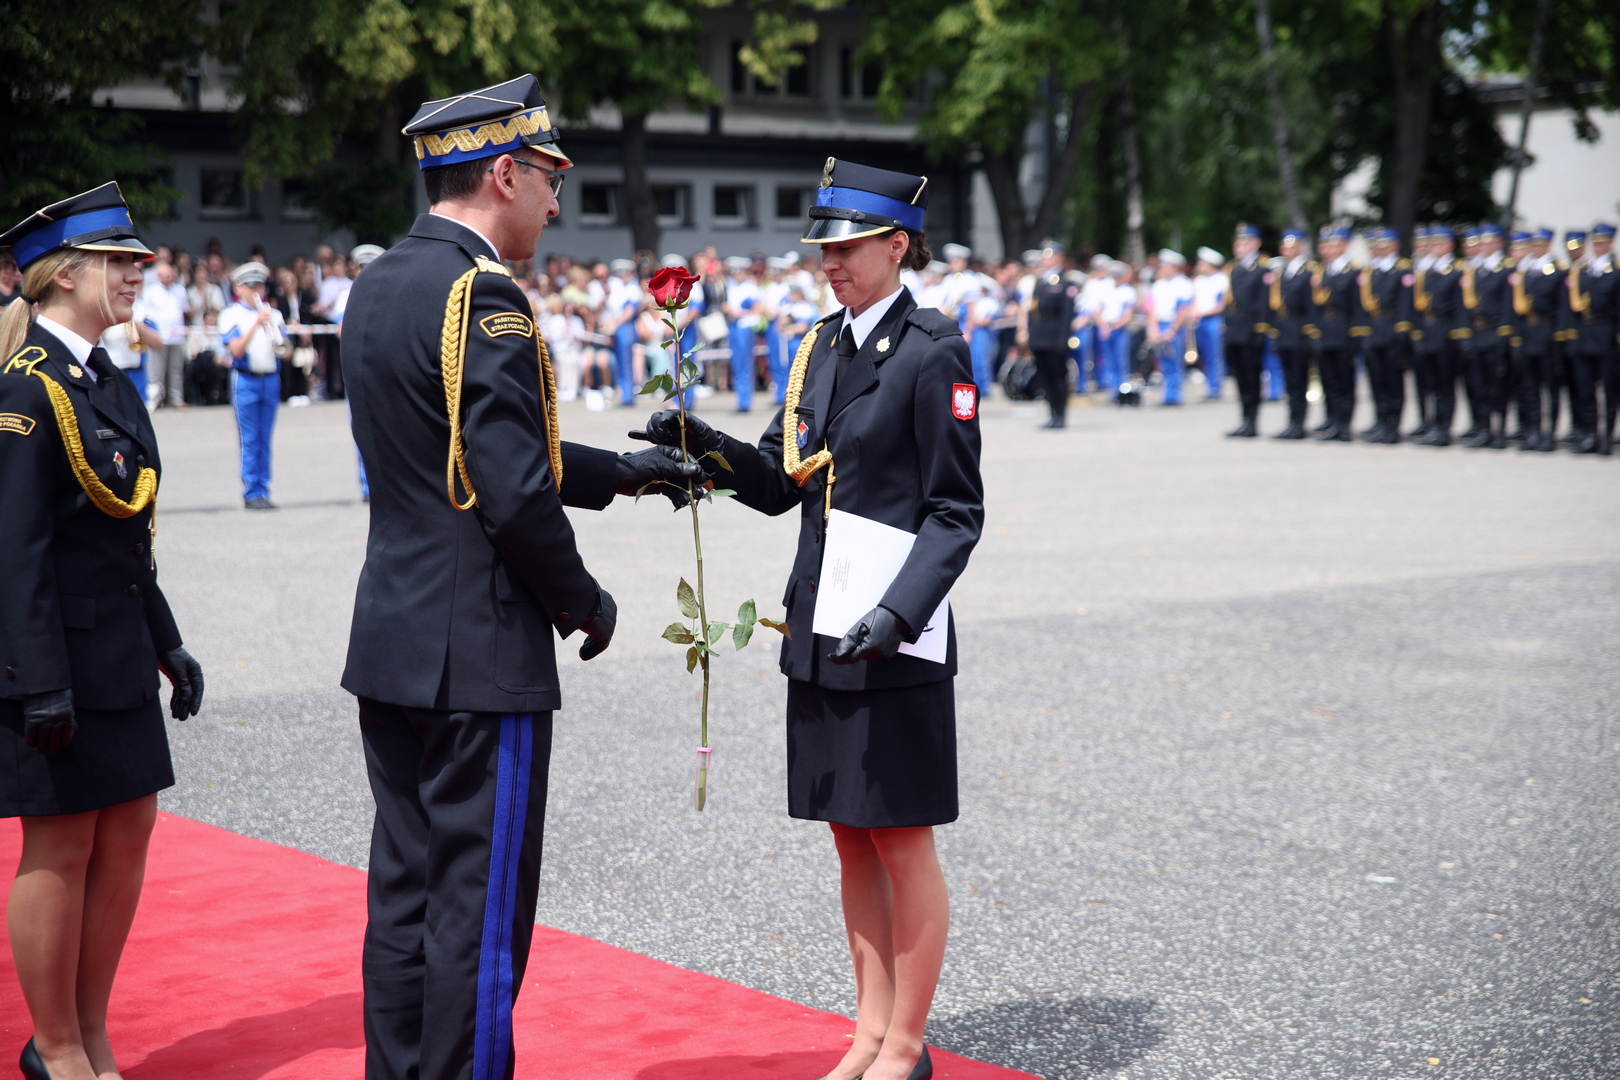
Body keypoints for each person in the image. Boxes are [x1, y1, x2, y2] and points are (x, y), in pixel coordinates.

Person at [340, 74, 702, 1080]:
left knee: (404, 899)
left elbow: (458, 448)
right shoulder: (484, 294)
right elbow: (507, 491)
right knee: (478, 916)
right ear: (504, 173)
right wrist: (582, 601)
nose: (555, 200)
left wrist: (623, 472)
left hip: (396, 634)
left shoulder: (381, 282)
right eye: (548, 177)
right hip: (479, 653)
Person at [635, 157, 983, 1080]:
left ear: (897, 245)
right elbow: (779, 482)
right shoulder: (819, 346)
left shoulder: (933, 351)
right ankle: (867, 1033)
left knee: (900, 836)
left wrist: (899, 611)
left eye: (846, 249)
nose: (828, 264)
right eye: (823, 250)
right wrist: (702, 445)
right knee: (850, 834)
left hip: (893, 632)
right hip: (823, 625)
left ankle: (906, 1045)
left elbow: (956, 513)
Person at [0, 182, 204, 1080]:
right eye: (118, 261)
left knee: (127, 829)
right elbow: (14, 553)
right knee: (62, 841)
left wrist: (166, 640)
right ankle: (54, 1043)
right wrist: (36, 681)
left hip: (116, 649)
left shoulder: (105, 379)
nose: (135, 274)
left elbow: (129, 537)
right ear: (63, 274)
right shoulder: (26, 386)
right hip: (53, 659)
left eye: (137, 262)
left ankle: (89, 1029)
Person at [219, 261, 288, 509]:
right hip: (246, 380)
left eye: (259, 286)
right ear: (239, 288)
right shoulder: (230, 314)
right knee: (250, 438)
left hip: (270, 380)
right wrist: (257, 323)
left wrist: (274, 330)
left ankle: (264, 489)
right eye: (251, 286)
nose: (256, 291)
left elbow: (286, 351)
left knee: (265, 438)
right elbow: (236, 350)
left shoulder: (274, 314)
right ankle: (252, 492)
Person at [1507, 228, 1564, 452]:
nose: (1536, 248)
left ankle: (1550, 434)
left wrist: (1560, 336)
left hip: (1547, 333)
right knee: (1529, 387)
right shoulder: (1525, 271)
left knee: (1550, 388)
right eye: (1534, 244)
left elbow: (1561, 308)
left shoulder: (1558, 271)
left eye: (1541, 244)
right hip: (1527, 334)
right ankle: (1532, 431)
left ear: (1548, 245)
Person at [1356, 226, 1411, 443]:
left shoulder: (1402, 270)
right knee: (1377, 380)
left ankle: (1393, 425)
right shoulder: (1371, 271)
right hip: (1374, 330)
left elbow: (1405, 304)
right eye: (1374, 245)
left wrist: (1402, 330)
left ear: (1394, 246)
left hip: (1392, 330)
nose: (1376, 249)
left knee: (1393, 380)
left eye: (1382, 245)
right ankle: (1380, 421)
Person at [1412, 225, 1465, 447]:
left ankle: (1444, 428)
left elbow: (1460, 306)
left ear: (1450, 245)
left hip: (1446, 330)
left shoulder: (1457, 270)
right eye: (1432, 242)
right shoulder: (1426, 271)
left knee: (1445, 384)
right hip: (1427, 330)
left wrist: (1459, 334)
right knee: (1430, 383)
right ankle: (1432, 425)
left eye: (1439, 242)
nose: (1434, 247)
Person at [1567, 222, 1616, 454]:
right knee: (1585, 390)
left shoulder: (1616, 270)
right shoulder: (1582, 269)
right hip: (1584, 334)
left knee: (1609, 391)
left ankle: (1607, 437)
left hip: (1608, 335)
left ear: (1610, 243)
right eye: (1595, 243)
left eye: (1602, 242)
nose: (1598, 246)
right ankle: (1589, 435)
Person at [1310, 225, 1360, 441]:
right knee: (1328, 380)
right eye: (1325, 245)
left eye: (1333, 244)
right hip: (1325, 331)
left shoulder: (1354, 272)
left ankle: (1345, 424)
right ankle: (1332, 421)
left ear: (1344, 245)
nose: (1328, 249)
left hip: (1344, 331)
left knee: (1345, 380)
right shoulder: (1321, 272)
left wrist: (1356, 334)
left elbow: (1357, 306)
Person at [1267, 227, 1317, 438]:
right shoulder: (1282, 272)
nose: (1287, 250)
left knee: (1300, 379)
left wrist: (1310, 331)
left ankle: (1300, 423)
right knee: (1290, 381)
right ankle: (1293, 422)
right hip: (1285, 331)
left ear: (1302, 247)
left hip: (1300, 330)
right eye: (1285, 246)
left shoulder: (1309, 271)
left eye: (1292, 246)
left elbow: (1311, 305)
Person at [1021, 242, 1075, 428]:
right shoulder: (1041, 280)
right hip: (1040, 336)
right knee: (1044, 377)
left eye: (1049, 256)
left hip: (1054, 337)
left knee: (1057, 377)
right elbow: (1033, 310)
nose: (1045, 260)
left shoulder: (1065, 282)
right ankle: (1052, 414)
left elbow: (1066, 315)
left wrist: (1062, 340)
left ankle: (1060, 415)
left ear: (1060, 257)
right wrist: (1030, 335)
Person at [1223, 223, 1269, 436]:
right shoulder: (1235, 268)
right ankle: (1245, 419)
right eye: (1238, 242)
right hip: (1235, 329)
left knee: (1252, 376)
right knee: (1240, 377)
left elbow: (1263, 303)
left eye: (1244, 242)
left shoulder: (1262, 269)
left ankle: (1252, 421)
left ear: (1255, 244)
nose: (1239, 246)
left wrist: (1260, 329)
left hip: (1251, 329)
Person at [1146, 249, 1194, 406]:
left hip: (1174, 325)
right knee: (1163, 362)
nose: (1161, 267)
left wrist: (1172, 329)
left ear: (1173, 266)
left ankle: (1174, 395)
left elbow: (1183, 310)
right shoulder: (1158, 284)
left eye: (1164, 265)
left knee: (1174, 361)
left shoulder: (1183, 283)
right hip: (1160, 324)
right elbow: (1152, 309)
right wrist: (1153, 329)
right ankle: (1167, 395)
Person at [1191, 246, 1228, 401]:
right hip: (1200, 320)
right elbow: (1194, 301)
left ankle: (1215, 387)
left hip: (1214, 319)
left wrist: (1204, 312)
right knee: (1204, 354)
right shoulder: (1199, 280)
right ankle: (1210, 386)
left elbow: (1222, 303)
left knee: (1214, 354)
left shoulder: (1222, 279)